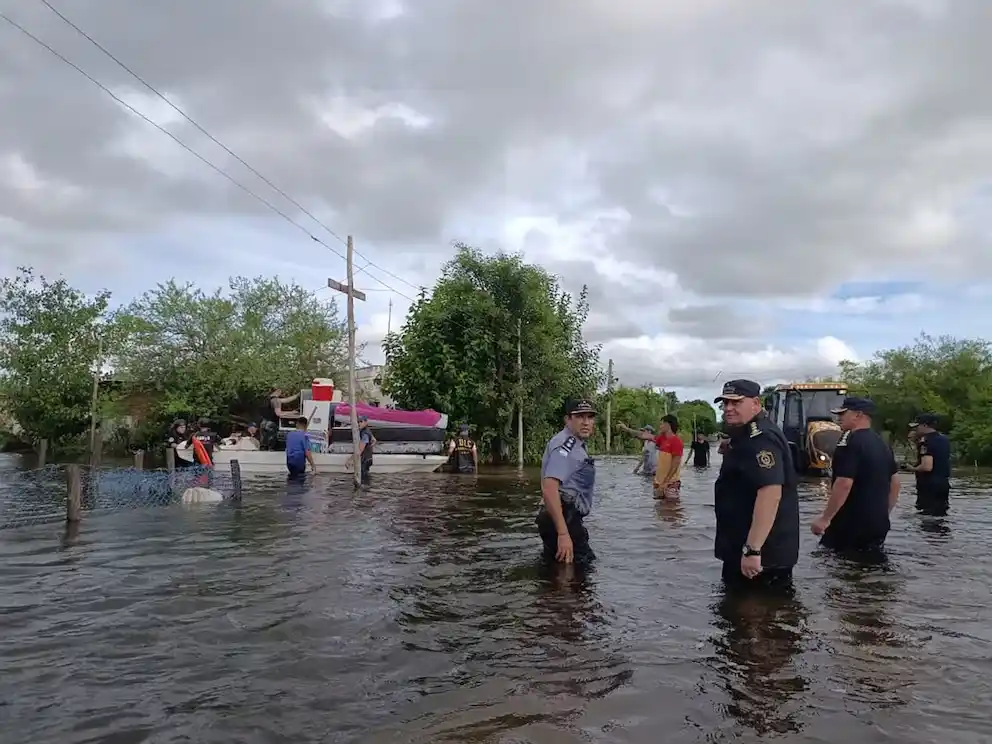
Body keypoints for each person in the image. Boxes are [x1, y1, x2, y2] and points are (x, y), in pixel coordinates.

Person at [713, 379, 799, 590]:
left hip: (761, 556)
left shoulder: (761, 438)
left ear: (755, 403)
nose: (728, 408)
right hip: (746, 547)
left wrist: (753, 549)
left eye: (736, 402)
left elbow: (770, 492)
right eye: (725, 403)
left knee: (757, 608)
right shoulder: (746, 435)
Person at [810, 397, 900, 552]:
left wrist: (825, 519)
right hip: (878, 523)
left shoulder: (849, 440)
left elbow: (844, 483)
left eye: (843, 413)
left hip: (850, 523)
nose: (838, 418)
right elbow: (895, 483)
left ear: (858, 414)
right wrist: (883, 513)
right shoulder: (882, 443)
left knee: (831, 560)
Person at [536, 398, 597, 565]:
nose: (586, 422)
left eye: (590, 417)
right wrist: (563, 534)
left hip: (562, 516)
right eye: (580, 417)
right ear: (568, 419)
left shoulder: (574, 443)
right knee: (580, 571)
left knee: (558, 570)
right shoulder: (566, 446)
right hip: (563, 516)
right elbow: (549, 488)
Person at [618, 415, 684, 499]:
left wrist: (665, 483)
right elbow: (642, 435)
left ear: (668, 425)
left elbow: (675, 464)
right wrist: (626, 429)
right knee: (658, 506)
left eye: (661, 424)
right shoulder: (662, 439)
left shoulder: (676, 441)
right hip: (658, 483)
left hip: (670, 483)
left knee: (671, 506)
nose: (660, 426)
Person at [908, 413, 951, 515]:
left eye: (917, 426)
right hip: (943, 484)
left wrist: (911, 468)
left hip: (929, 486)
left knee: (926, 516)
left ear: (925, 425)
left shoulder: (926, 442)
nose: (916, 429)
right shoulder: (944, 439)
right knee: (940, 515)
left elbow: (927, 466)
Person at [358, 415, 375, 482]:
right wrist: (369, 447)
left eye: (361, 421)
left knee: (363, 478)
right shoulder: (368, 430)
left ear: (366, 422)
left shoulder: (364, 433)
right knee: (366, 477)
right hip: (369, 458)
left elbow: (360, 450)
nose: (359, 423)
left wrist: (350, 460)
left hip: (365, 459)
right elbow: (374, 440)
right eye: (358, 422)